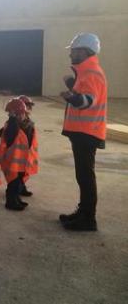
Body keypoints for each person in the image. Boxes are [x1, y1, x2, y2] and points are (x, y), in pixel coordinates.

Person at [59, 33, 107, 231]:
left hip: (87, 133)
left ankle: (88, 219)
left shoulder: (92, 73)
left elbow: (87, 101)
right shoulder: (86, 72)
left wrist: (72, 97)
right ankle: (83, 212)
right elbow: (86, 94)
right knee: (83, 176)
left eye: (74, 51)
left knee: (86, 177)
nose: (71, 54)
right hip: (83, 132)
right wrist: (73, 87)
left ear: (85, 51)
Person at [0, 98, 34, 211]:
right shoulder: (12, 126)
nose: (22, 116)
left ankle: (16, 199)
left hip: (20, 161)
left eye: (23, 113)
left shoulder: (24, 124)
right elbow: (12, 133)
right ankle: (11, 202)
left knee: (18, 183)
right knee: (13, 183)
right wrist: (12, 118)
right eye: (18, 114)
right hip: (12, 161)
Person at [18, 95, 38, 197]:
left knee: (24, 171)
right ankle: (15, 192)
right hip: (19, 153)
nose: (30, 108)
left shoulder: (27, 121)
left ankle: (21, 187)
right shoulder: (18, 122)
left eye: (30, 106)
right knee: (18, 173)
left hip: (27, 152)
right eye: (27, 106)